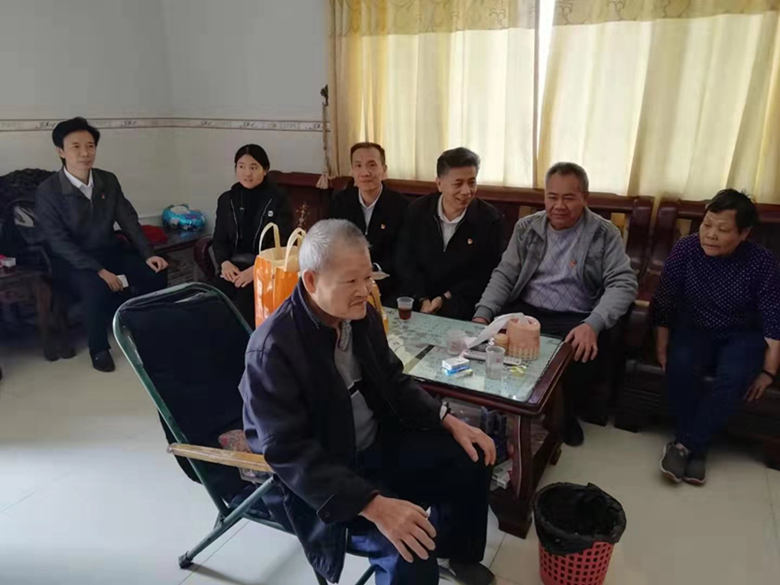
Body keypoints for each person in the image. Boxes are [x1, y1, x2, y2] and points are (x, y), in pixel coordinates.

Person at [240, 219, 497, 585]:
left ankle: (459, 552)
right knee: (410, 551)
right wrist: (373, 505)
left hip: (378, 445)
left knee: (471, 453)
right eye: (351, 281)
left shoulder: (359, 315)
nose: (365, 291)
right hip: (330, 477)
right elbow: (288, 452)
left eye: (368, 277)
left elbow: (392, 379)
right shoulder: (273, 349)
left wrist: (448, 419)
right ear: (311, 281)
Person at [474, 162, 637, 445]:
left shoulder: (604, 233)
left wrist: (593, 324)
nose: (559, 206)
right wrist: (483, 315)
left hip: (576, 316)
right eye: (552, 197)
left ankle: (564, 414)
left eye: (568, 198)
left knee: (580, 351)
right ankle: (508, 408)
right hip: (527, 311)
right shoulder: (527, 228)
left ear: (585, 198)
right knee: (493, 341)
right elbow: (505, 274)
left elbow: (623, 283)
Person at [652, 190, 780, 485]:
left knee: (734, 378)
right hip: (694, 327)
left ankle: (683, 446)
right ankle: (696, 449)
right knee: (680, 366)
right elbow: (665, 300)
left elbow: (774, 315)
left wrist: (769, 370)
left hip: (742, 334)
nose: (710, 235)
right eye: (707, 224)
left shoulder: (762, 262)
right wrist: (661, 346)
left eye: (722, 229)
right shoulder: (686, 248)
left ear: (744, 233)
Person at [36, 117, 168, 372]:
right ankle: (99, 349)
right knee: (95, 286)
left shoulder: (107, 180)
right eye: (76, 147)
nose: (85, 153)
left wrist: (148, 253)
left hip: (109, 250)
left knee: (155, 271)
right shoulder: (49, 190)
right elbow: (58, 242)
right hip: (72, 261)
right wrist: (99, 270)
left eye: (90, 146)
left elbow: (128, 219)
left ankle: (147, 331)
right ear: (61, 151)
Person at [395, 147, 503, 320]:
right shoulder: (417, 211)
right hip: (417, 296)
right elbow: (405, 261)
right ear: (439, 184)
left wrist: (445, 298)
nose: (467, 191)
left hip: (461, 301)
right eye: (458, 184)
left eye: (472, 182)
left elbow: (484, 273)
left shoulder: (489, 219)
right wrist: (422, 298)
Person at [211, 144, 293, 326]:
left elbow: (283, 243)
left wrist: (256, 270)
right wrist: (224, 264)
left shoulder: (278, 199)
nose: (247, 173)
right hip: (233, 267)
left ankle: (247, 343)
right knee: (211, 299)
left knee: (244, 303)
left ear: (265, 170)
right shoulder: (227, 199)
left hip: (265, 269)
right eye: (241, 166)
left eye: (253, 167)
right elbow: (219, 239)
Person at [329, 142, 408, 300]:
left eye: (372, 165)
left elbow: (404, 254)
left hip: (387, 283)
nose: (365, 173)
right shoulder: (341, 201)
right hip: (347, 279)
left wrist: (372, 269)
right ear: (352, 171)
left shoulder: (401, 206)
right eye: (358, 166)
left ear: (384, 170)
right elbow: (331, 242)